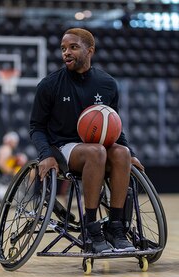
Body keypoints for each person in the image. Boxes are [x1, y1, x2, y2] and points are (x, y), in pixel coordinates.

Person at [30, 28, 144, 253]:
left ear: (90, 50)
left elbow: (115, 128)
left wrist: (130, 152)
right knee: (96, 152)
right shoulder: (49, 85)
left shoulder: (107, 84)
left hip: (98, 146)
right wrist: (47, 155)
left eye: (73, 47)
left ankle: (116, 226)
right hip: (65, 146)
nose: (66, 53)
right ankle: (90, 227)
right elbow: (36, 127)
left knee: (120, 153)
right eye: (63, 48)